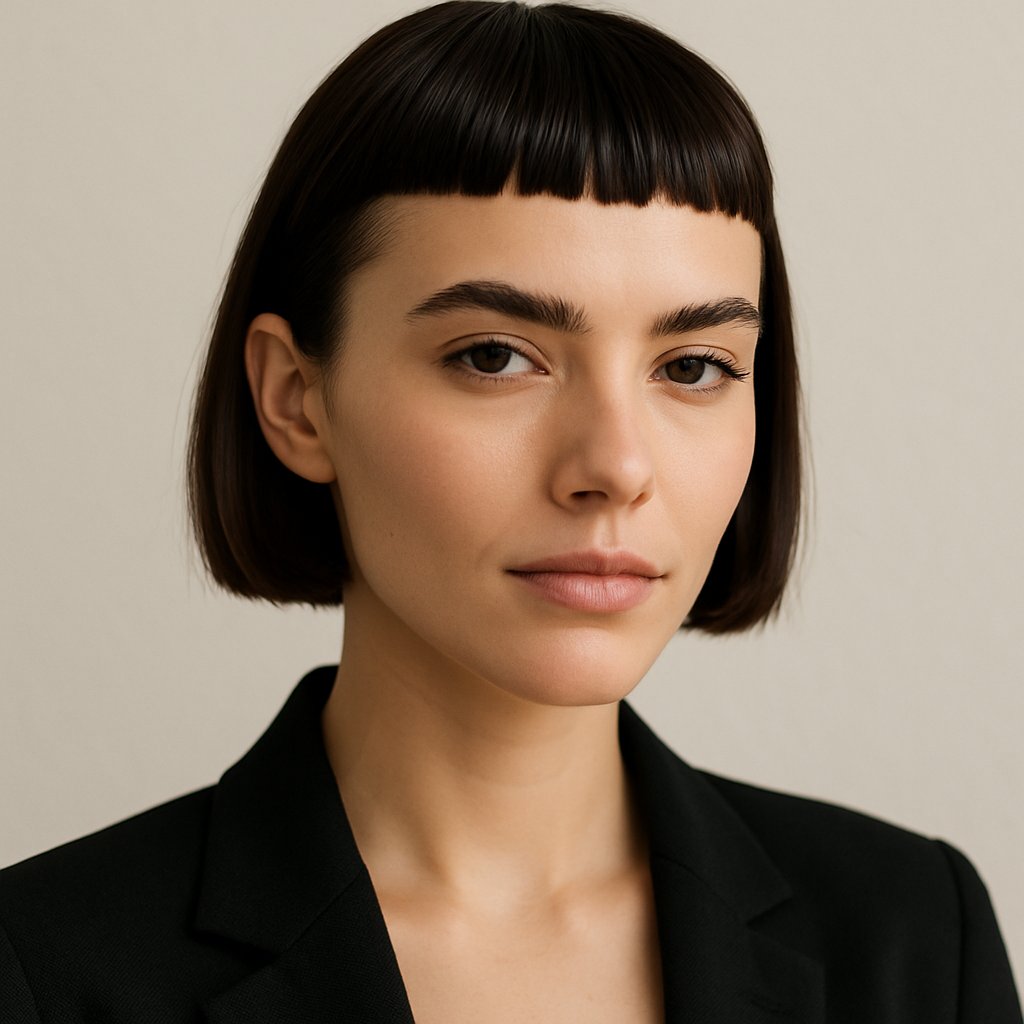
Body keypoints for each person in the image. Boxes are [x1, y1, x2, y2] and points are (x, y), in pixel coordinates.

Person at [1, 2, 1019, 1020]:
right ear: (296, 398)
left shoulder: (917, 937)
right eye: (494, 356)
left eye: (693, 367)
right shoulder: (40, 971)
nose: (615, 467)